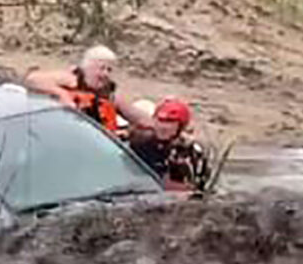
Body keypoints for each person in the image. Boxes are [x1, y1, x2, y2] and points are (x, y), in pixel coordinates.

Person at [23, 45, 151, 132]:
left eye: (109, 70)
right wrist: (62, 94)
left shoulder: (112, 94)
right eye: (101, 68)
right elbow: (32, 79)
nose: (105, 74)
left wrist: (159, 124)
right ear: (87, 67)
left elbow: (136, 116)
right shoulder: (71, 80)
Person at [127, 97, 210, 191]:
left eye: (170, 122)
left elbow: (190, 188)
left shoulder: (190, 151)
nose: (163, 127)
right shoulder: (141, 143)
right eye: (160, 120)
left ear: (181, 126)